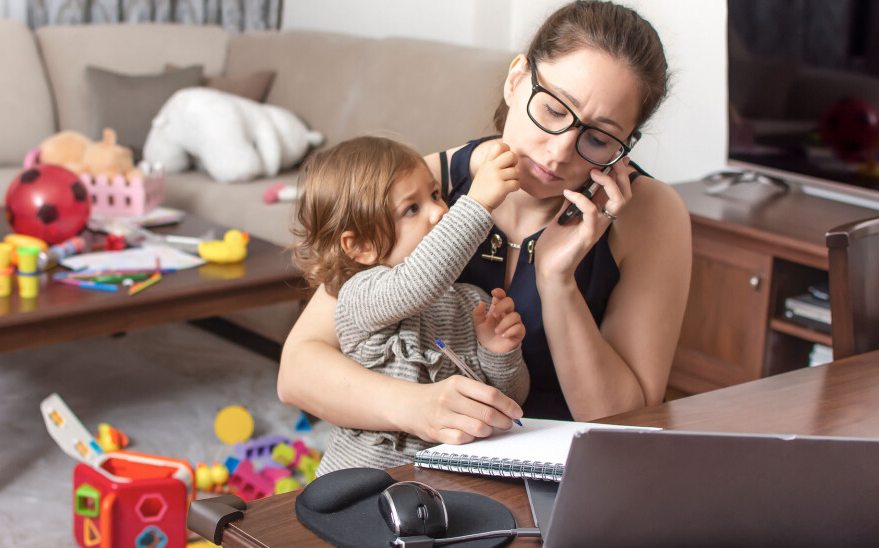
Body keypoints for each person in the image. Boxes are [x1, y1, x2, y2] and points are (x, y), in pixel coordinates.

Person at [279, 1, 691, 444]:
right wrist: (415, 407)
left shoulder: (651, 215)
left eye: (597, 138)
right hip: (427, 464)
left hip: (568, 473)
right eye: (553, 110)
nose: (558, 152)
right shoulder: (425, 188)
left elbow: (627, 425)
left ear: (625, 145)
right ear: (516, 80)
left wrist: (557, 281)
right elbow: (298, 370)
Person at [291, 136, 530, 473]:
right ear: (360, 246)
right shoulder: (358, 295)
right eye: (411, 209)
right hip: (359, 486)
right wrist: (477, 203)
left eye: (435, 194)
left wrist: (500, 352)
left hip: (443, 482)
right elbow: (416, 283)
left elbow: (509, 401)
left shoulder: (471, 301)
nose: (439, 212)